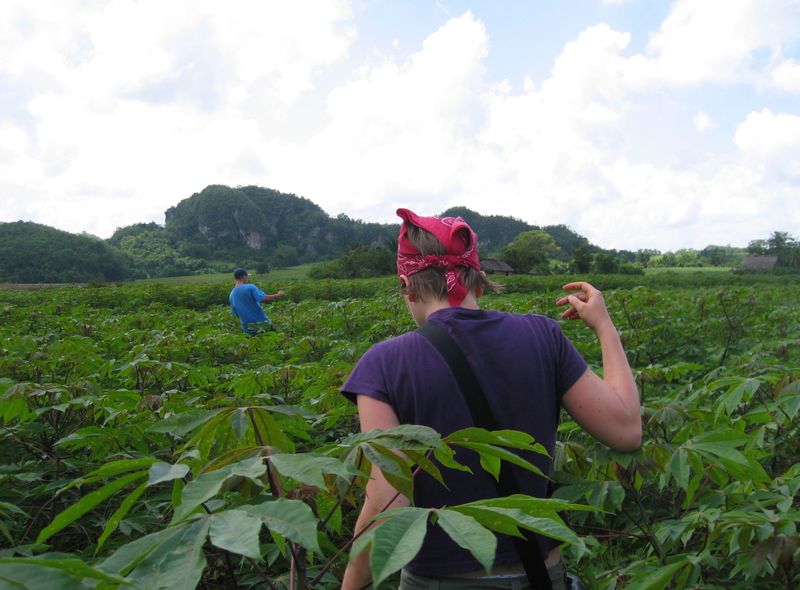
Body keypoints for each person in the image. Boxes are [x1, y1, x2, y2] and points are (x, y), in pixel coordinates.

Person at [340, 209, 641, 590]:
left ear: (408, 285)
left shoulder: (383, 364)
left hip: (441, 581)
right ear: (478, 282)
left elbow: (387, 504)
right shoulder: (543, 336)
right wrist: (604, 326)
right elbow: (627, 429)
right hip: (541, 574)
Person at [229, 267, 285, 335]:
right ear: (243, 276)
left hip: (247, 329)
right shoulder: (250, 287)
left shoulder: (231, 295)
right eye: (246, 276)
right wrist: (278, 295)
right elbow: (263, 298)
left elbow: (236, 314)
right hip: (262, 324)